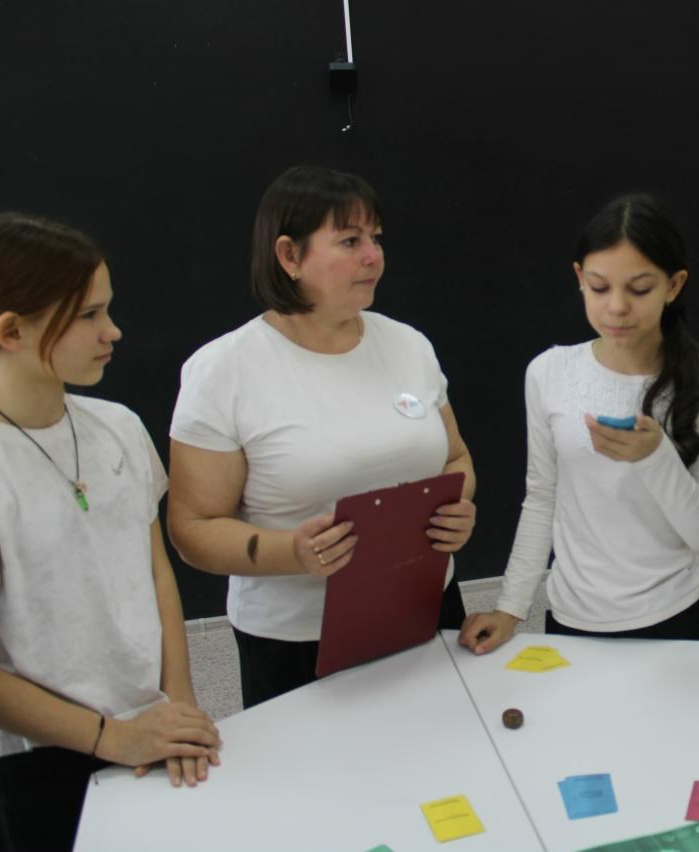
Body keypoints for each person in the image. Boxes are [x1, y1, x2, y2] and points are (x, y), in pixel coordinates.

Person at [168, 166, 476, 708]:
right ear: (289, 255)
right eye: (350, 241)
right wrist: (293, 552)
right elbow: (192, 529)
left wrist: (459, 508)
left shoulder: (409, 345)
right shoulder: (224, 370)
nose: (373, 256)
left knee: (444, 745)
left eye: (376, 238)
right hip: (297, 639)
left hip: (425, 604)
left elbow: (455, 458)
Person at [0, 213, 221, 852]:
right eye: (89, 315)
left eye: (107, 309)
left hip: (150, 725)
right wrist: (111, 737)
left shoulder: (117, 425)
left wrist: (179, 705)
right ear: (10, 331)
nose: (112, 330)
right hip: (38, 758)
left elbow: (155, 575)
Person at [459, 192, 699, 652]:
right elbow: (542, 497)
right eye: (599, 287)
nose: (617, 307)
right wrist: (511, 606)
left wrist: (656, 456)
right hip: (573, 617)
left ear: (674, 285)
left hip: (676, 616)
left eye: (640, 289)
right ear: (579, 279)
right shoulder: (549, 372)